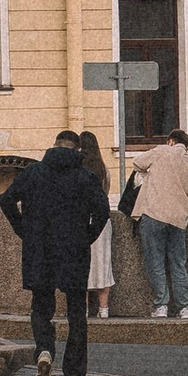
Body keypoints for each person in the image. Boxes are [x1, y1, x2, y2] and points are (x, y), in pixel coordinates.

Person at [0, 129, 109, 376]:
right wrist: (87, 237)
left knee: (41, 307)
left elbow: (6, 200)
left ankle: (45, 350)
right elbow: (102, 212)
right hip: (74, 251)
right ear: (78, 150)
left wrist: (23, 230)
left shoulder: (34, 173)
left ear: (54, 146)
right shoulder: (85, 176)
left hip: (40, 250)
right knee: (76, 314)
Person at [126, 124, 188, 319]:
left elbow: (137, 163)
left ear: (170, 141)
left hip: (154, 213)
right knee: (178, 263)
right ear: (186, 145)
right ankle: (185, 308)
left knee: (155, 261)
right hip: (178, 219)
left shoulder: (161, 151)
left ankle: (161, 306)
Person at [78, 126, 117, 317]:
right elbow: (105, 194)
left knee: (82, 263)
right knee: (103, 263)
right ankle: (104, 309)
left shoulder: (78, 171)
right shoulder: (103, 170)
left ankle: (83, 308)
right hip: (102, 223)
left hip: (82, 221)